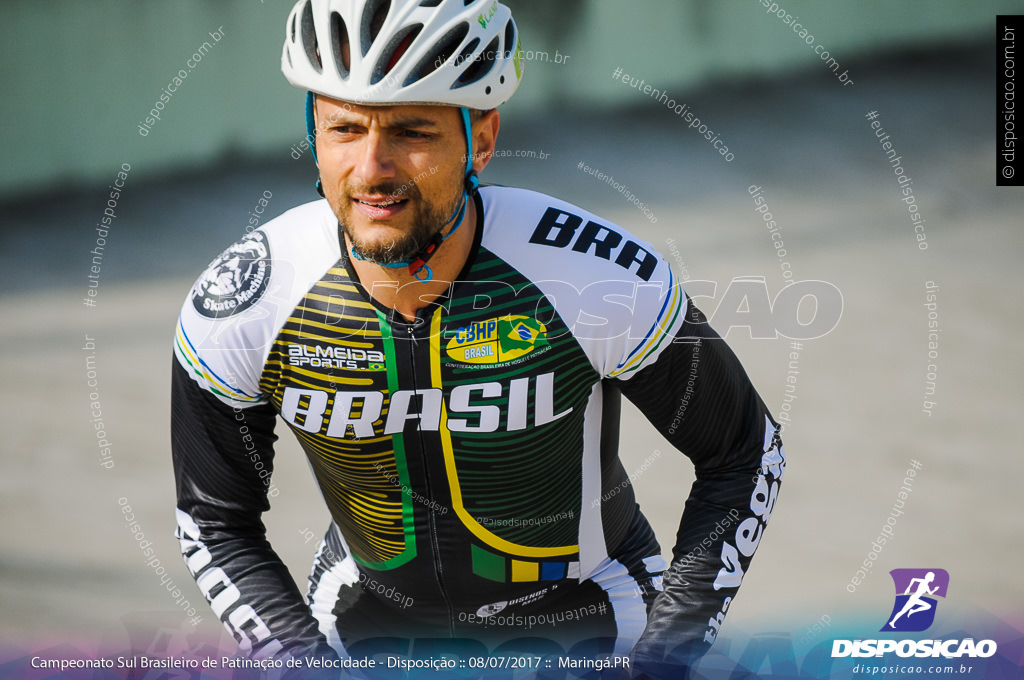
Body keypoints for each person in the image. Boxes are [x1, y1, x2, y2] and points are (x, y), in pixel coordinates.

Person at [171, 0, 785, 675]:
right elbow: (214, 521)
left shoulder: (591, 276)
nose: (372, 169)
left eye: (411, 132)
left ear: (482, 139)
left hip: (594, 626)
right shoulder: (245, 301)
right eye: (343, 128)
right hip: (356, 632)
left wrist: (666, 658)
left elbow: (744, 453)